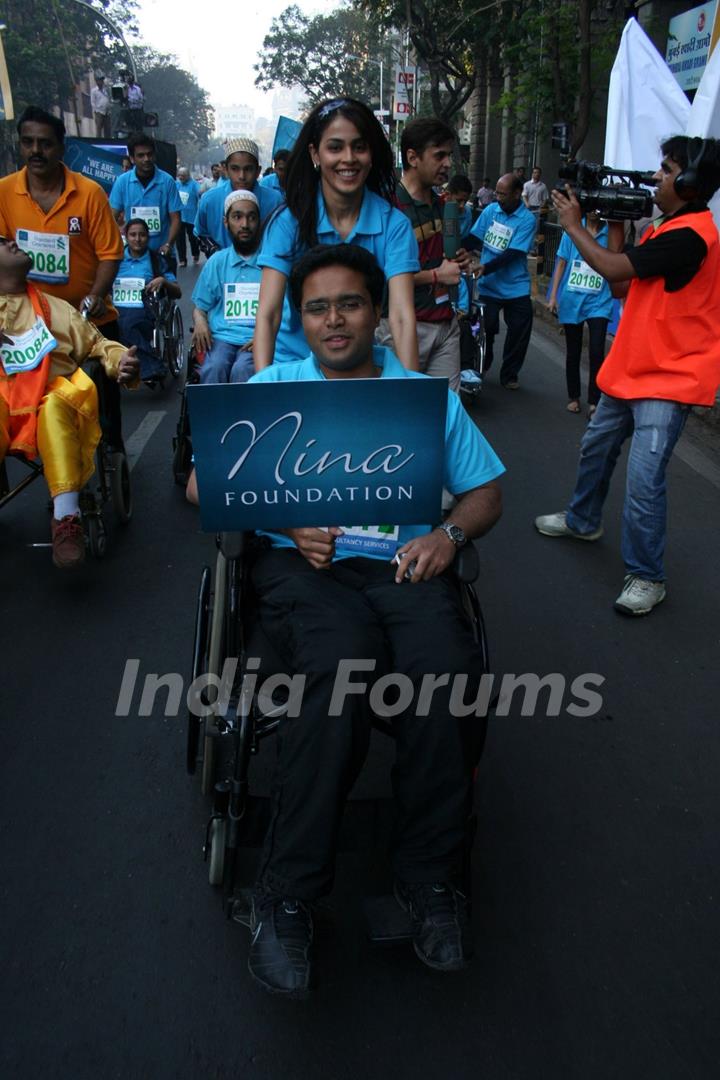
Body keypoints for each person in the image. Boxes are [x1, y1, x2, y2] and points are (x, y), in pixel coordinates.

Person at [228, 243, 503, 996]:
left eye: (349, 303)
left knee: (447, 672)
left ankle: (429, 881)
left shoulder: (422, 396)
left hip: (403, 563)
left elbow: (485, 495)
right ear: (300, 320)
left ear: (377, 313)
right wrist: (287, 519)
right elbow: (200, 485)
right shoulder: (271, 385)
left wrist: (448, 535)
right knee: (341, 668)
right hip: (302, 568)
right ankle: (286, 894)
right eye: (316, 307)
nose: (333, 319)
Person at [535, 135, 720, 616]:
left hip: (669, 378)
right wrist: (615, 228)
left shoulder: (692, 236)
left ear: (691, 181)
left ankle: (647, 576)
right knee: (595, 448)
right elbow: (619, 283)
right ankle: (582, 519)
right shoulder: (665, 228)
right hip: (633, 369)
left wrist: (575, 226)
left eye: (665, 168)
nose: (655, 177)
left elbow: (610, 266)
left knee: (644, 480)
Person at [0, 234, 139, 568]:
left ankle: (66, 520)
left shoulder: (54, 308)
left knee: (54, 405)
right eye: (1, 243)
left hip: (52, 401)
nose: (9, 242)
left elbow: (98, 344)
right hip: (6, 405)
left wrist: (120, 361)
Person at [254, 97, 419, 370]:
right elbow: (268, 315)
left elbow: (402, 316)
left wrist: (411, 397)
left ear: (372, 154)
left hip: (357, 368)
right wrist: (264, 391)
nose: (349, 158)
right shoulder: (287, 222)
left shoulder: (395, 225)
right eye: (335, 147)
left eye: (359, 147)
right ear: (315, 154)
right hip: (293, 365)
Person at [0, 106, 126, 448]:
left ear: (61, 148)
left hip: (88, 316)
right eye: (28, 142)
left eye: (45, 143)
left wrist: (97, 295)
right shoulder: (4, 192)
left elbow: (110, 254)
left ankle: (111, 451)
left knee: (101, 399)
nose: (36, 151)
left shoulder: (89, 194)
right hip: (32, 324)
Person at [375, 118, 470, 390]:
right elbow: (381, 277)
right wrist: (436, 275)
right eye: (439, 155)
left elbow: (445, 259)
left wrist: (459, 260)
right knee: (405, 417)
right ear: (413, 157)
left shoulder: (444, 206)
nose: (448, 164)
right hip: (400, 328)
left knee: (448, 414)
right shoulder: (386, 208)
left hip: (445, 324)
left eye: (449, 156)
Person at [470, 172, 537, 389]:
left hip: (515, 287)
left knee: (519, 331)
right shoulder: (491, 211)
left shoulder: (527, 219)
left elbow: (514, 254)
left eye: (503, 194)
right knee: (485, 328)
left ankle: (509, 374)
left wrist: (485, 267)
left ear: (518, 194)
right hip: (489, 286)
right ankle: (483, 362)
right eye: (497, 193)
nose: (498, 197)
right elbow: (474, 237)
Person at [191, 190, 261, 384]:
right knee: (214, 368)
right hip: (222, 338)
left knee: (243, 370)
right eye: (237, 217)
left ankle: (246, 415)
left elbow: (284, 313)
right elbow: (200, 307)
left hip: (258, 338)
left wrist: (267, 336)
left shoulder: (270, 263)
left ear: (259, 222)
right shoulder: (217, 262)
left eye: (251, 217)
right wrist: (200, 323)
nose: (244, 224)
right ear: (226, 222)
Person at [546, 211, 613, 416]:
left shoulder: (611, 234)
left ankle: (594, 401)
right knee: (573, 351)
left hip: (599, 301)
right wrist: (553, 295)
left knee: (596, 351)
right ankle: (573, 397)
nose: (595, 211)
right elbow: (561, 263)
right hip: (572, 298)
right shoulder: (572, 229)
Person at [113, 217, 181, 383]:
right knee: (113, 323)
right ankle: (151, 365)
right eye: (133, 235)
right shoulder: (116, 260)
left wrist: (163, 281)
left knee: (126, 324)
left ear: (148, 237)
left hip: (144, 307)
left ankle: (151, 367)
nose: (137, 239)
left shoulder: (156, 260)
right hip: (116, 306)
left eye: (142, 235)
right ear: (126, 236)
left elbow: (177, 292)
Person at [194, 138, 282, 253]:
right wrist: (216, 254)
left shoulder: (275, 201)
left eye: (248, 169)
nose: (241, 176)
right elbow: (200, 233)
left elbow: (282, 238)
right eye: (235, 169)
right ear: (226, 169)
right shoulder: (210, 200)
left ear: (257, 171)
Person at [109, 133, 182, 257]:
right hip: (132, 256)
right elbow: (110, 218)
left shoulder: (167, 181)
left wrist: (168, 244)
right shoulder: (122, 182)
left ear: (154, 155)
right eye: (141, 155)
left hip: (162, 254)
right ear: (132, 159)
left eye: (149, 154)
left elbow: (175, 219)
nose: (146, 159)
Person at [175, 167, 201, 267]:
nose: (181, 177)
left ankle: (195, 254)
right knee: (179, 239)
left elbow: (200, 194)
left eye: (183, 176)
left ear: (188, 176)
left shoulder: (194, 184)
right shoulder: (176, 184)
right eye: (179, 175)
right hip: (179, 216)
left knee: (193, 238)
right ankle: (182, 259)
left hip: (191, 217)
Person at [445, 174, 474, 240]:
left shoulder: (468, 212)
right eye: (458, 201)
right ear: (448, 195)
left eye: (465, 201)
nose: (462, 205)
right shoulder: (439, 210)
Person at [91, 73, 112, 140]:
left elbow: (108, 99)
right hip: (99, 112)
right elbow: (93, 102)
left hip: (106, 112)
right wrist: (96, 111)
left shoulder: (106, 90)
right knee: (99, 128)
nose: (101, 82)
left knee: (108, 128)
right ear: (97, 81)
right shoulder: (94, 91)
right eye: (99, 80)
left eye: (102, 80)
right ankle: (98, 141)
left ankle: (108, 141)